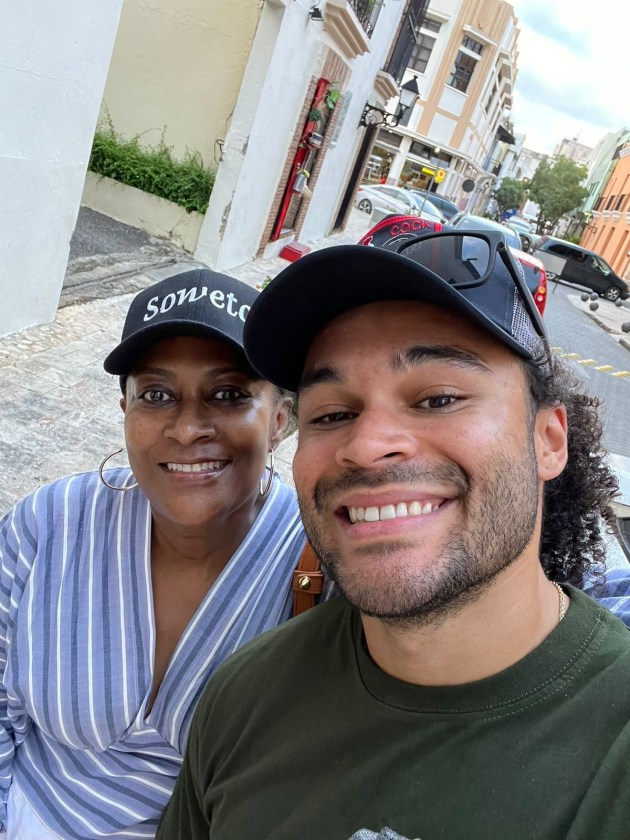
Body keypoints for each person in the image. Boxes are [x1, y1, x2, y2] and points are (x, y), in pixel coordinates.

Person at [158, 222, 630, 840]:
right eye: (331, 413)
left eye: (437, 398)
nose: (368, 445)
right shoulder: (244, 697)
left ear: (547, 441)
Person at [0, 267, 322, 839]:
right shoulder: (48, 524)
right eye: (156, 395)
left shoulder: (317, 563)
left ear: (279, 420)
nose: (188, 427)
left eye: (228, 394)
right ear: (125, 411)